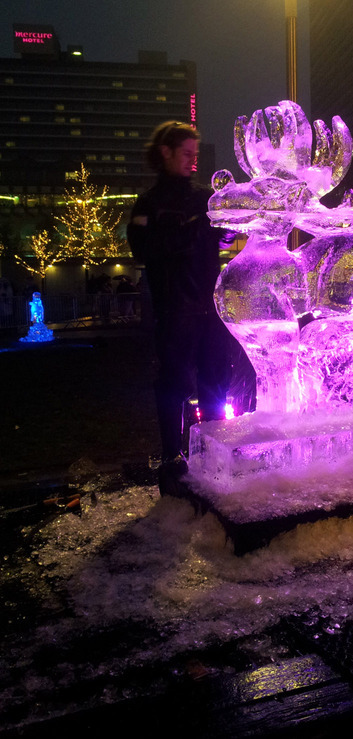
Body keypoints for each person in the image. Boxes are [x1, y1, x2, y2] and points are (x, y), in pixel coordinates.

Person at [127, 121, 232, 495]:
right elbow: (144, 250)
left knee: (215, 383)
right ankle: (172, 458)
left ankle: (214, 453)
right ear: (166, 153)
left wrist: (226, 231)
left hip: (209, 308)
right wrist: (195, 230)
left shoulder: (204, 197)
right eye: (186, 154)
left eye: (195, 154)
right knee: (173, 384)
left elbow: (221, 232)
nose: (192, 161)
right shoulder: (149, 203)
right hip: (174, 310)